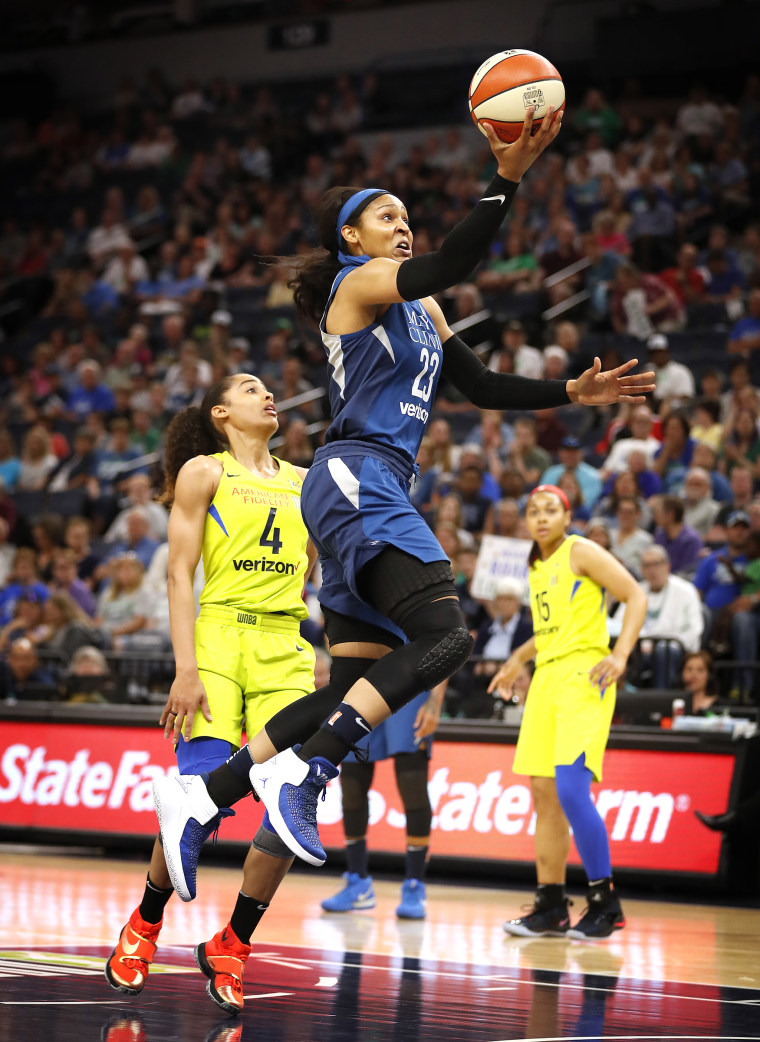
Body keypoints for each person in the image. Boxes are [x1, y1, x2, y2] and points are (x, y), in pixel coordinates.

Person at [153, 109, 654, 888]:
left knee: (353, 682)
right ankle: (305, 775)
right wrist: (508, 176)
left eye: (408, 218)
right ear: (351, 238)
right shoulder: (357, 286)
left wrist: (567, 390)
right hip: (359, 476)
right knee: (448, 637)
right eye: (389, 216)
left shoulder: (421, 306)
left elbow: (480, 384)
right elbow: (455, 258)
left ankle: (203, 796)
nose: (404, 226)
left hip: (364, 488)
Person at [105, 374, 318, 1016]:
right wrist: (185, 668)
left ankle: (234, 943)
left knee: (289, 806)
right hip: (219, 637)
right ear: (222, 412)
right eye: (252, 388)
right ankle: (145, 924)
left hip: (286, 645)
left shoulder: (307, 480)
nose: (269, 394)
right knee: (199, 797)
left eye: (269, 388)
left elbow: (317, 565)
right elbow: (177, 573)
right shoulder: (204, 472)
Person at [488, 485, 647, 940]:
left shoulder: (581, 551)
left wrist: (621, 655)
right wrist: (518, 657)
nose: (541, 518)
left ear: (567, 515)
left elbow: (635, 596)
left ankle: (605, 902)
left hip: (585, 677)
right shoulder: (537, 566)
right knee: (543, 793)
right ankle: (551, 905)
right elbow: (550, 632)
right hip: (546, 680)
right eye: (533, 511)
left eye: (550, 510)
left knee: (571, 790)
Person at [320, 681, 445, 919]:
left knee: (412, 783)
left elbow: (453, 642)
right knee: (352, 785)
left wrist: (435, 700)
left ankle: (414, 885)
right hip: (364, 681)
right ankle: (357, 882)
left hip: (411, 679)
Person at [610, 545, 703, 687]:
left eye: (656, 564)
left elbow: (695, 630)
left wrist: (663, 643)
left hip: (673, 651)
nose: (652, 570)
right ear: (641, 569)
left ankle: (661, 704)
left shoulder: (686, 591)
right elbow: (617, 624)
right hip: (639, 650)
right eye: (647, 565)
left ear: (667, 565)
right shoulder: (636, 591)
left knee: (663, 651)